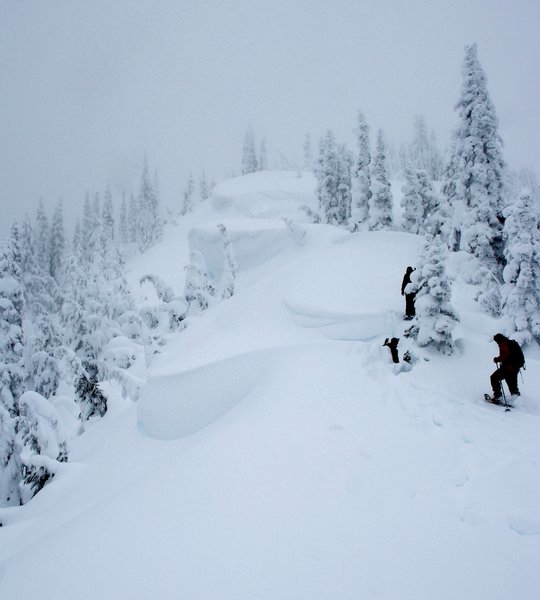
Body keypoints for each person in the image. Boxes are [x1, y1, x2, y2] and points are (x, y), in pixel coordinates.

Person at [489, 333, 523, 402]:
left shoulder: (503, 344)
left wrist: (497, 359)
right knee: (512, 385)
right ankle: (517, 400)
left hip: (508, 368)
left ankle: (498, 396)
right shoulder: (510, 343)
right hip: (515, 368)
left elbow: (505, 354)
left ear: (498, 340)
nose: (496, 343)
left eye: (496, 341)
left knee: (493, 378)